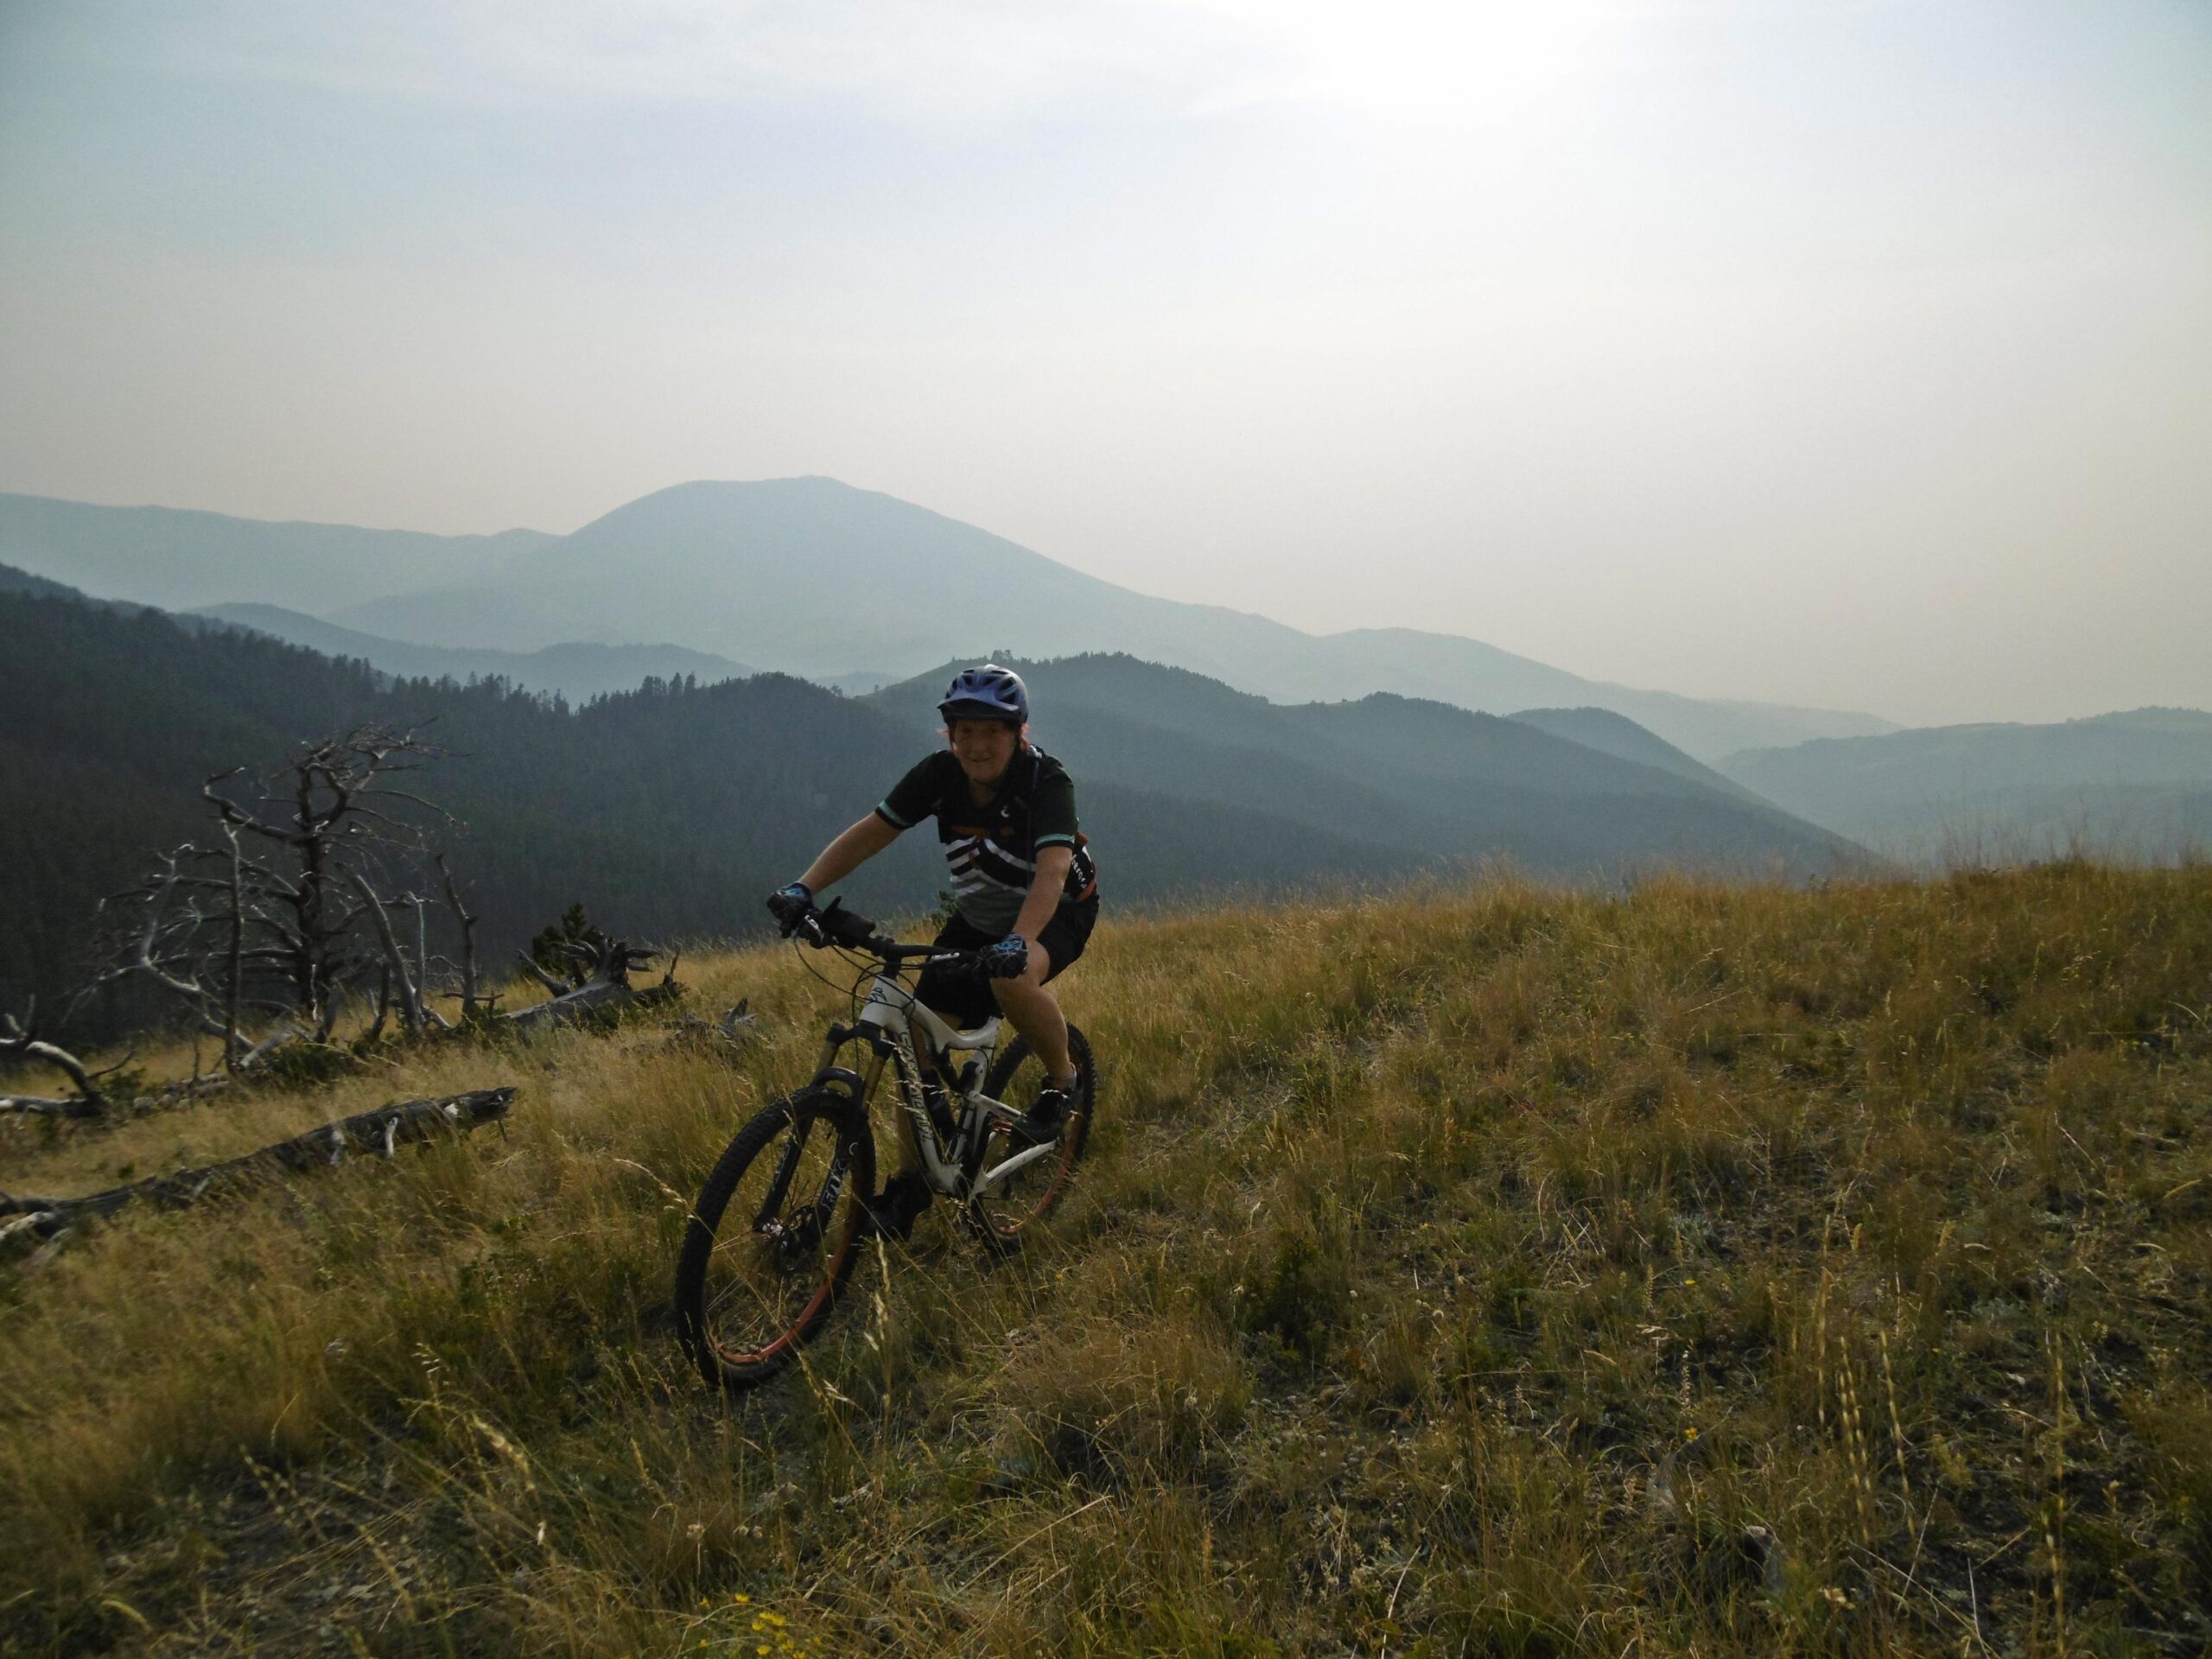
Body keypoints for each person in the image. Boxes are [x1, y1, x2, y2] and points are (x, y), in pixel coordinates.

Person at [766, 663, 1099, 1236]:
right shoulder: (940, 776)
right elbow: (873, 831)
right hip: (975, 922)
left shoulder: (1046, 783)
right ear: (949, 734)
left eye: (991, 731)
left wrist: (1020, 942)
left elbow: (1052, 869)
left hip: (1055, 914)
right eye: (963, 731)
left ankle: (1062, 1082)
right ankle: (912, 1183)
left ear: (1017, 732)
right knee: (907, 1037)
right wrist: (805, 888)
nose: (975, 744)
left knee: (1010, 982)